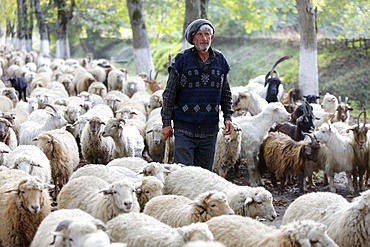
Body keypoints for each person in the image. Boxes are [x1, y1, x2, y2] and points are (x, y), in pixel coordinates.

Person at [161, 18, 234, 171]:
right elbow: (169, 94)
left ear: (212, 38)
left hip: (209, 130)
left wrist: (228, 117)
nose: (204, 38)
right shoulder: (181, 60)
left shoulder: (220, 60)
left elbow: (225, 93)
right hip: (184, 129)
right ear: (193, 38)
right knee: (184, 174)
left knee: (204, 175)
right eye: (199, 34)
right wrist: (166, 122)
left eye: (207, 34)